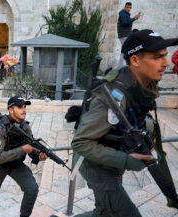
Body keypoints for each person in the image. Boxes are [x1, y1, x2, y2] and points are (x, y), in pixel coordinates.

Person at [71, 29, 178, 217]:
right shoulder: (113, 97)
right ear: (135, 61)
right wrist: (126, 160)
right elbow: (80, 143)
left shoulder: (143, 87)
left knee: (104, 213)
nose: (165, 63)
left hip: (112, 159)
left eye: (165, 56)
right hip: (95, 165)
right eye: (157, 57)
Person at [0, 96, 47, 217]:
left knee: (32, 189)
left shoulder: (25, 126)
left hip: (16, 164)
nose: (24, 109)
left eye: (25, 107)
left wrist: (38, 155)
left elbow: (31, 148)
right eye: (20, 107)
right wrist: (22, 149)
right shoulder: (0, 128)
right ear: (10, 110)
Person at [117, 2, 140, 66]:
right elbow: (125, 23)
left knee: (125, 50)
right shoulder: (122, 14)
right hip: (124, 35)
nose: (129, 9)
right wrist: (134, 18)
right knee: (126, 50)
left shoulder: (126, 15)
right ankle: (122, 66)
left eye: (130, 7)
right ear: (124, 7)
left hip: (125, 35)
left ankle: (122, 65)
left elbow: (127, 23)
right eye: (127, 7)